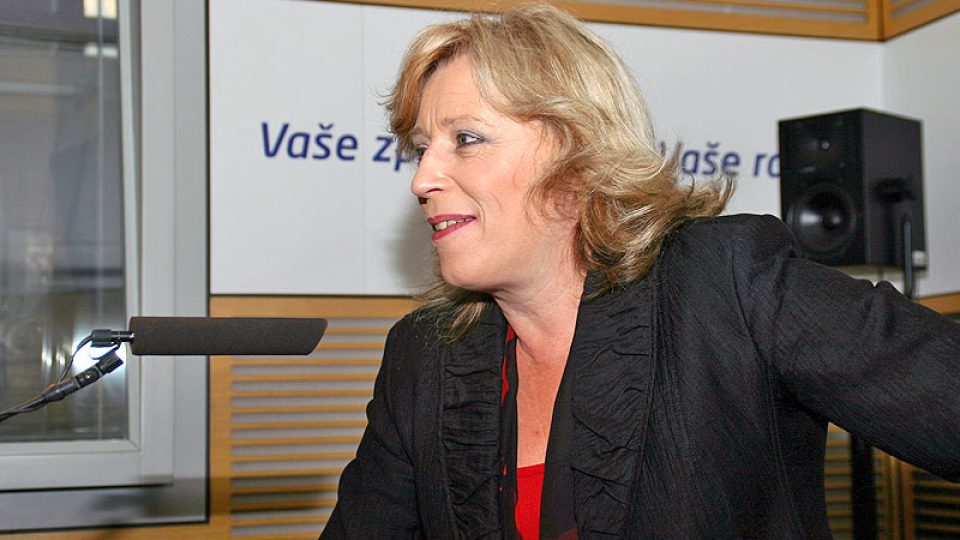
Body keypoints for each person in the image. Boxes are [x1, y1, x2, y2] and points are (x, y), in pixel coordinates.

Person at [321, 4, 960, 538]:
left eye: (465, 139)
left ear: (576, 154)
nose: (422, 179)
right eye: (420, 148)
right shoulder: (422, 358)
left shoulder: (727, 283)